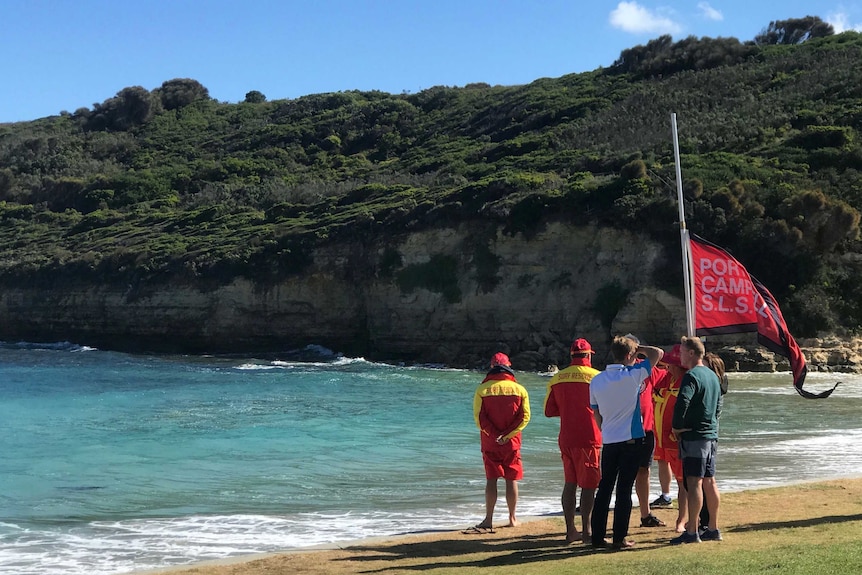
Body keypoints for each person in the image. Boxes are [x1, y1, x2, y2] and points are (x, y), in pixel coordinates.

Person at [589, 336, 663, 550]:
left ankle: (597, 537)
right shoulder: (633, 375)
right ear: (630, 355)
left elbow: (596, 413)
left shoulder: (597, 380)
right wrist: (640, 348)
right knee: (624, 490)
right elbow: (657, 353)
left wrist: (605, 430)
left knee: (604, 488)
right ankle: (619, 538)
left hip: (609, 440)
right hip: (631, 440)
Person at [543, 338, 601, 543]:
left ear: (571, 356)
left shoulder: (557, 378)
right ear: (588, 356)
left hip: (566, 437)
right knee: (589, 485)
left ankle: (570, 531)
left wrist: (569, 410)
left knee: (570, 483)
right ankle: (587, 532)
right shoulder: (597, 377)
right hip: (589, 436)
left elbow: (549, 411)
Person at [468, 352, 531, 533]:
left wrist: (496, 435)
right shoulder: (520, 389)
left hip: (490, 442)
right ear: (508, 367)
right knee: (512, 479)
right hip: (511, 442)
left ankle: (488, 519)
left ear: (491, 368)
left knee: (491, 479)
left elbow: (479, 419)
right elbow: (524, 417)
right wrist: (507, 435)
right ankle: (512, 518)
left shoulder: (482, 390)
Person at [670, 336, 722, 545]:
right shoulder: (712, 376)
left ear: (691, 353)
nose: (680, 356)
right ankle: (713, 527)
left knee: (694, 483)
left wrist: (676, 426)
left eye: (682, 352)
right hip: (710, 435)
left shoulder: (692, 376)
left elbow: (682, 402)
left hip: (695, 437)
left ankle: (692, 530)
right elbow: (718, 405)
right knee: (709, 481)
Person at [623, 334, 667, 529]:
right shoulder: (619, 369)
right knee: (621, 473)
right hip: (622, 429)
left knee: (644, 471)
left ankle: (645, 514)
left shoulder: (646, 367)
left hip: (645, 428)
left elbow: (667, 377)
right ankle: (618, 516)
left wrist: (638, 348)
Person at [652, 344, 689, 532]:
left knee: (684, 482)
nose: (667, 366)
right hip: (662, 440)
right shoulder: (666, 379)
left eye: (671, 364)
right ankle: (666, 496)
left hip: (676, 441)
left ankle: (682, 521)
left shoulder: (686, 382)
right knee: (680, 480)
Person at [699, 351, 728, 531]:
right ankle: (706, 522)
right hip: (710, 436)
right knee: (702, 481)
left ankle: (707, 522)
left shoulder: (715, 387)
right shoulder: (716, 386)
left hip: (707, 437)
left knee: (705, 480)